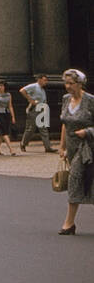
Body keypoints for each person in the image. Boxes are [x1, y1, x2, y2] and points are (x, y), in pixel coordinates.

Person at [58, 68, 94, 234]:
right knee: (87, 181)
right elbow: (65, 123)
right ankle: (70, 223)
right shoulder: (66, 99)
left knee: (75, 179)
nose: (67, 86)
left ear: (80, 84)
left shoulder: (90, 101)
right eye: (66, 83)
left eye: (71, 83)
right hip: (72, 147)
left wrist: (87, 132)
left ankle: (68, 223)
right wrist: (62, 146)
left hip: (88, 147)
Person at [20, 74, 53, 152]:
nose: (46, 82)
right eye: (44, 80)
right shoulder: (34, 86)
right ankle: (23, 143)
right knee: (30, 128)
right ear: (39, 80)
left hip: (42, 108)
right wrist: (30, 100)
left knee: (43, 128)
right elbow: (22, 90)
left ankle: (47, 147)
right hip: (34, 109)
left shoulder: (42, 89)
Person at [0, 81, 17, 155]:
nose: (0, 87)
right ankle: (11, 149)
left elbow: (10, 106)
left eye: (1, 85)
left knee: (1, 132)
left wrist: (13, 116)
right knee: (5, 132)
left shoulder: (8, 95)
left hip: (6, 113)